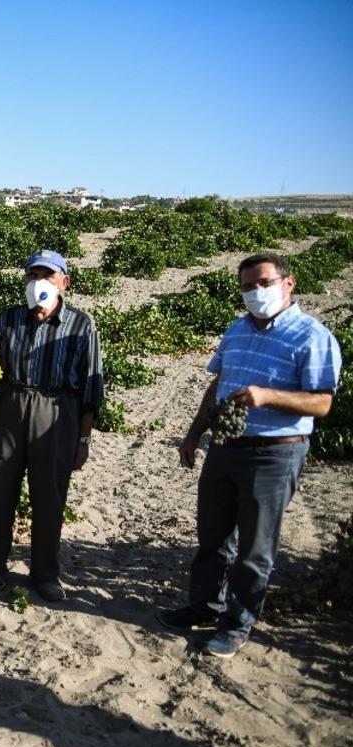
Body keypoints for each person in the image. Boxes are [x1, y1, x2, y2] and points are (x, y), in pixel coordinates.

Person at [158, 253, 340, 658]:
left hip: (274, 453)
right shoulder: (236, 330)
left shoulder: (311, 335)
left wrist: (267, 396)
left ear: (287, 283)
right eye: (247, 287)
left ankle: (237, 625)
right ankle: (204, 608)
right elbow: (219, 385)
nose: (255, 292)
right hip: (224, 447)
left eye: (263, 283)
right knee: (212, 537)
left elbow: (323, 403)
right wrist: (193, 434)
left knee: (255, 548)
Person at [0, 249, 104, 602]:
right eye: (33, 275)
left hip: (57, 412)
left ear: (65, 283)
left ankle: (44, 574)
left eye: (48, 275)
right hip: (10, 406)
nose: (39, 282)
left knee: (49, 496)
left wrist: (84, 438)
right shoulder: (8, 318)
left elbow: (91, 387)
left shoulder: (81, 324)